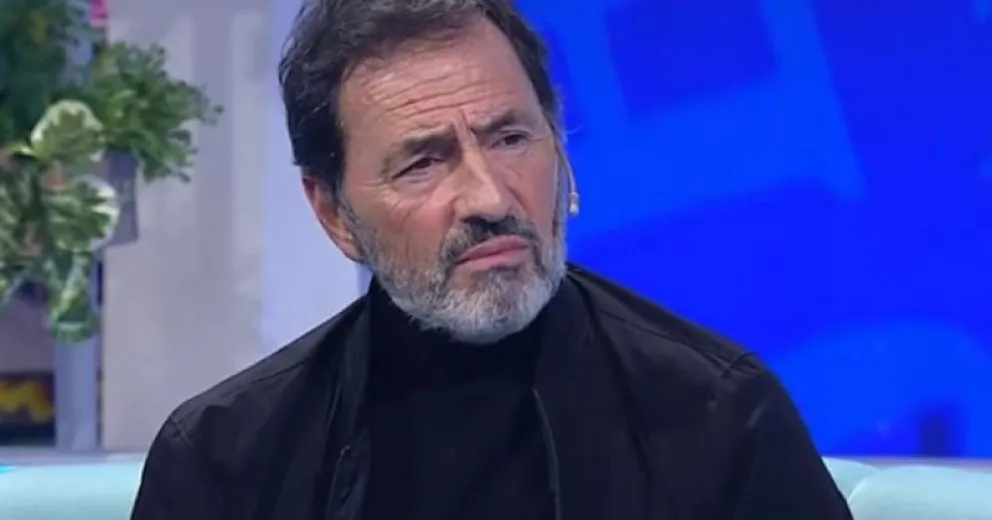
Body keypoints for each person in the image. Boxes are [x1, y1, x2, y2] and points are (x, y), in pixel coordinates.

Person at [130, 0, 853, 519]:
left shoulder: (718, 418)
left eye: (511, 138)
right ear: (333, 213)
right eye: (423, 162)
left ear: (558, 144)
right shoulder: (224, 460)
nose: (489, 196)